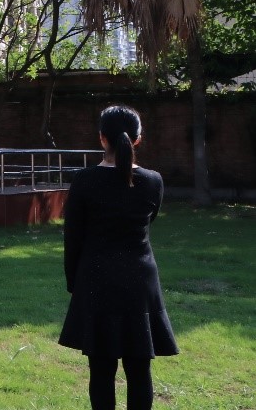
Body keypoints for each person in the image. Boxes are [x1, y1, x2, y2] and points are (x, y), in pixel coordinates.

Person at [59, 106, 178, 410]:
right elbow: (148, 220)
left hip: (96, 280)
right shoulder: (153, 181)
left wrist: (75, 283)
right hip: (140, 281)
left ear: (102, 138)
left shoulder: (84, 180)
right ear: (137, 139)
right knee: (139, 369)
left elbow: (73, 238)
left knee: (101, 370)